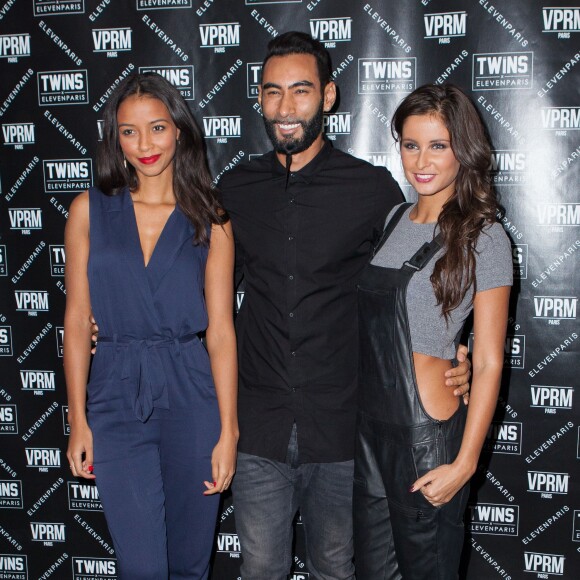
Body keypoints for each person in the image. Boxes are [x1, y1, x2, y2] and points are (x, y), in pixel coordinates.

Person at [219, 33, 471, 580]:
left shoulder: (373, 190)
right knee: (259, 567)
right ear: (259, 99)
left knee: (335, 566)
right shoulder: (234, 189)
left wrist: (454, 351)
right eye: (273, 92)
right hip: (256, 420)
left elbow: (408, 290)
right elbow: (199, 292)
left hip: (343, 423)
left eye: (302, 91)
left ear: (329, 96)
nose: (286, 108)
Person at [63, 72, 238, 579]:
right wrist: (79, 419)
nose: (145, 145)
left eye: (157, 128)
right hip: (115, 395)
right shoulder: (88, 211)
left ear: (179, 131)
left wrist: (228, 430)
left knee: (189, 563)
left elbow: (222, 333)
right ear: (115, 138)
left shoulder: (211, 218)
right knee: (140, 566)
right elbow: (76, 322)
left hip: (191, 392)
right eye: (129, 131)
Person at [353, 83, 512, 579]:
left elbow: (486, 360)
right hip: (367, 433)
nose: (421, 160)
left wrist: (465, 463)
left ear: (462, 150)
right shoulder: (394, 218)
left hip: (426, 438)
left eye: (438, 145)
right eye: (410, 144)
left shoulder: (484, 235)